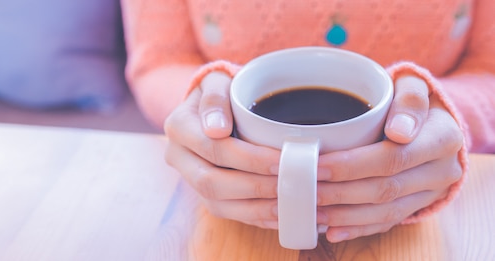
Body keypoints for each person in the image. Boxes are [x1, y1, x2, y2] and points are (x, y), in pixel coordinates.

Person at [120, 0, 495, 243]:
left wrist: (449, 118)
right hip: (229, 226)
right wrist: (201, 112)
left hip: (433, 224)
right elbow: (160, 60)